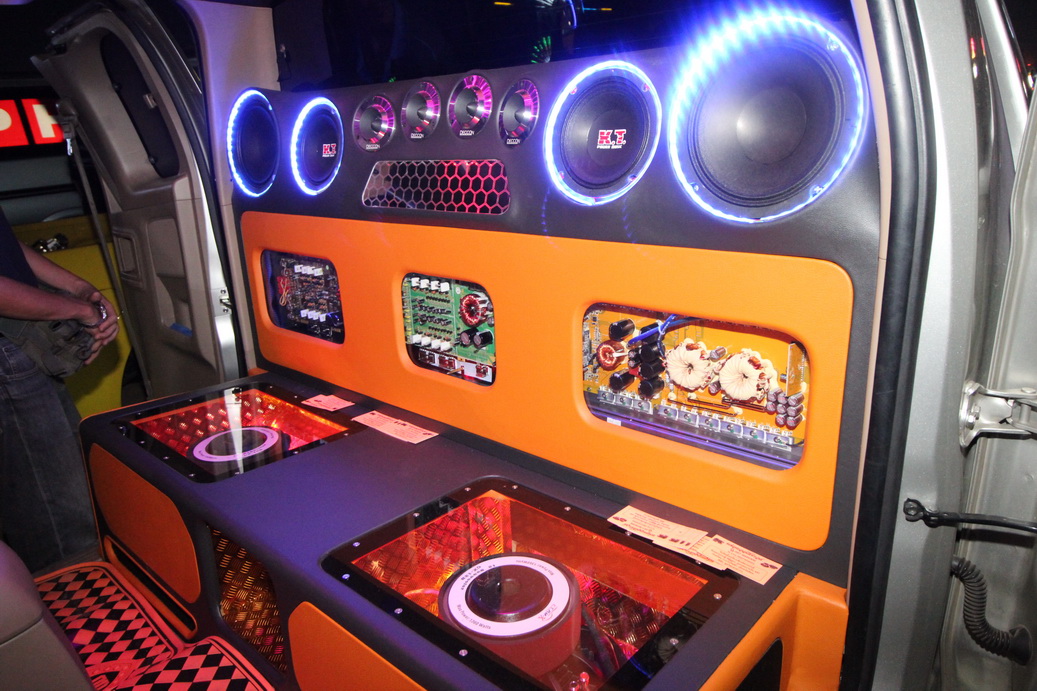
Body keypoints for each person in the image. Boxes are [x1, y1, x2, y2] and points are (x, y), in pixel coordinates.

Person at [0, 206, 119, 573]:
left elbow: (7, 244)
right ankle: (75, 597)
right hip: (7, 348)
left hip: (20, 344)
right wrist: (77, 310)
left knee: (64, 484)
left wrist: (81, 290)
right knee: (61, 515)